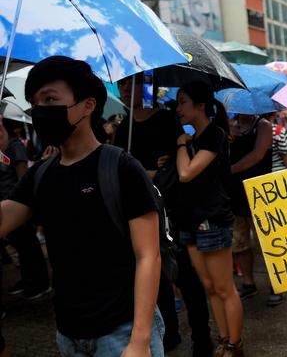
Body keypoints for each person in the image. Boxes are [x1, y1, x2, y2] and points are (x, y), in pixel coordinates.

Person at [0, 56, 164, 356]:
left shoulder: (120, 167)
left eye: (50, 99)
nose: (41, 111)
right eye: (35, 103)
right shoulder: (41, 174)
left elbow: (148, 256)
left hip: (122, 331)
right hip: (68, 334)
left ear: (88, 105)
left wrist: (140, 339)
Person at [114, 74, 213, 355]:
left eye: (128, 84)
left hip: (174, 211)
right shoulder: (124, 128)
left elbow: (177, 167)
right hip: (141, 214)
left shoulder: (167, 121)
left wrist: (150, 173)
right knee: (155, 280)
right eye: (120, 85)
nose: (122, 89)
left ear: (143, 87)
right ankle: (169, 333)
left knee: (187, 278)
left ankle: (202, 338)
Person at [175, 81, 245, 357]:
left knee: (224, 287)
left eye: (183, 101)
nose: (178, 108)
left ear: (200, 106)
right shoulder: (197, 138)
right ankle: (224, 338)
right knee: (209, 287)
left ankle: (235, 345)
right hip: (190, 219)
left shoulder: (214, 135)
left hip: (212, 218)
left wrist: (181, 145)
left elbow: (186, 173)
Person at [0, 118, 51, 302]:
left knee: (28, 245)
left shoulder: (15, 146)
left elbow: (22, 177)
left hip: (17, 204)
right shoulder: (3, 148)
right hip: (6, 206)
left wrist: (17, 200)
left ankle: (39, 283)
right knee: (21, 246)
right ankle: (28, 279)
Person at [228, 113, 274, 304]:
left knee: (268, 243)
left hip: (259, 193)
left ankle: (276, 284)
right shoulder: (230, 126)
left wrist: (229, 170)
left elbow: (257, 155)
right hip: (235, 194)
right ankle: (248, 283)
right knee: (239, 242)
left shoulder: (263, 125)